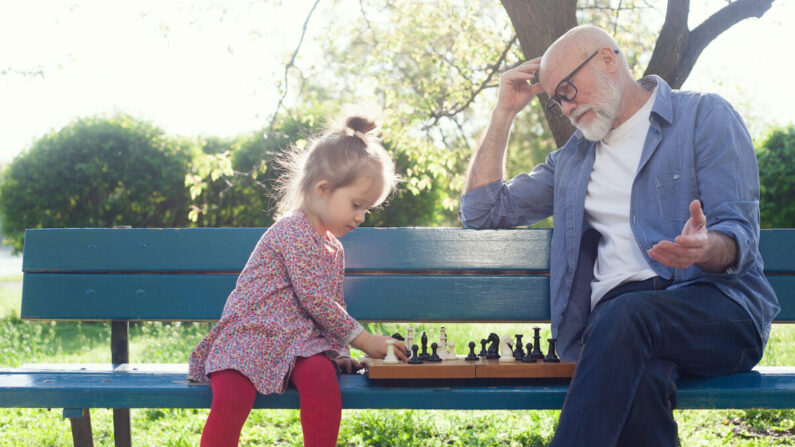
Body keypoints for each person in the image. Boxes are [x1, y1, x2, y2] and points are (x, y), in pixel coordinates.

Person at [460, 25, 779, 447]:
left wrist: (705, 248)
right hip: (619, 333)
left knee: (625, 315)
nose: (567, 106)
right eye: (558, 100)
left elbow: (738, 235)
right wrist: (504, 112)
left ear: (608, 59)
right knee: (639, 374)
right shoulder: (571, 161)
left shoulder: (704, 115)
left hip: (714, 309)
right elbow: (482, 210)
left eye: (569, 89)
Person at [188, 115, 406, 447]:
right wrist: (366, 341)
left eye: (367, 210)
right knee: (232, 394)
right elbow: (315, 300)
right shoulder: (294, 231)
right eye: (357, 205)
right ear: (323, 189)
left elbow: (333, 304)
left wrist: (338, 351)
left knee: (322, 380)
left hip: (300, 343)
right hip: (253, 333)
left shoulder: (333, 246)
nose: (361, 217)